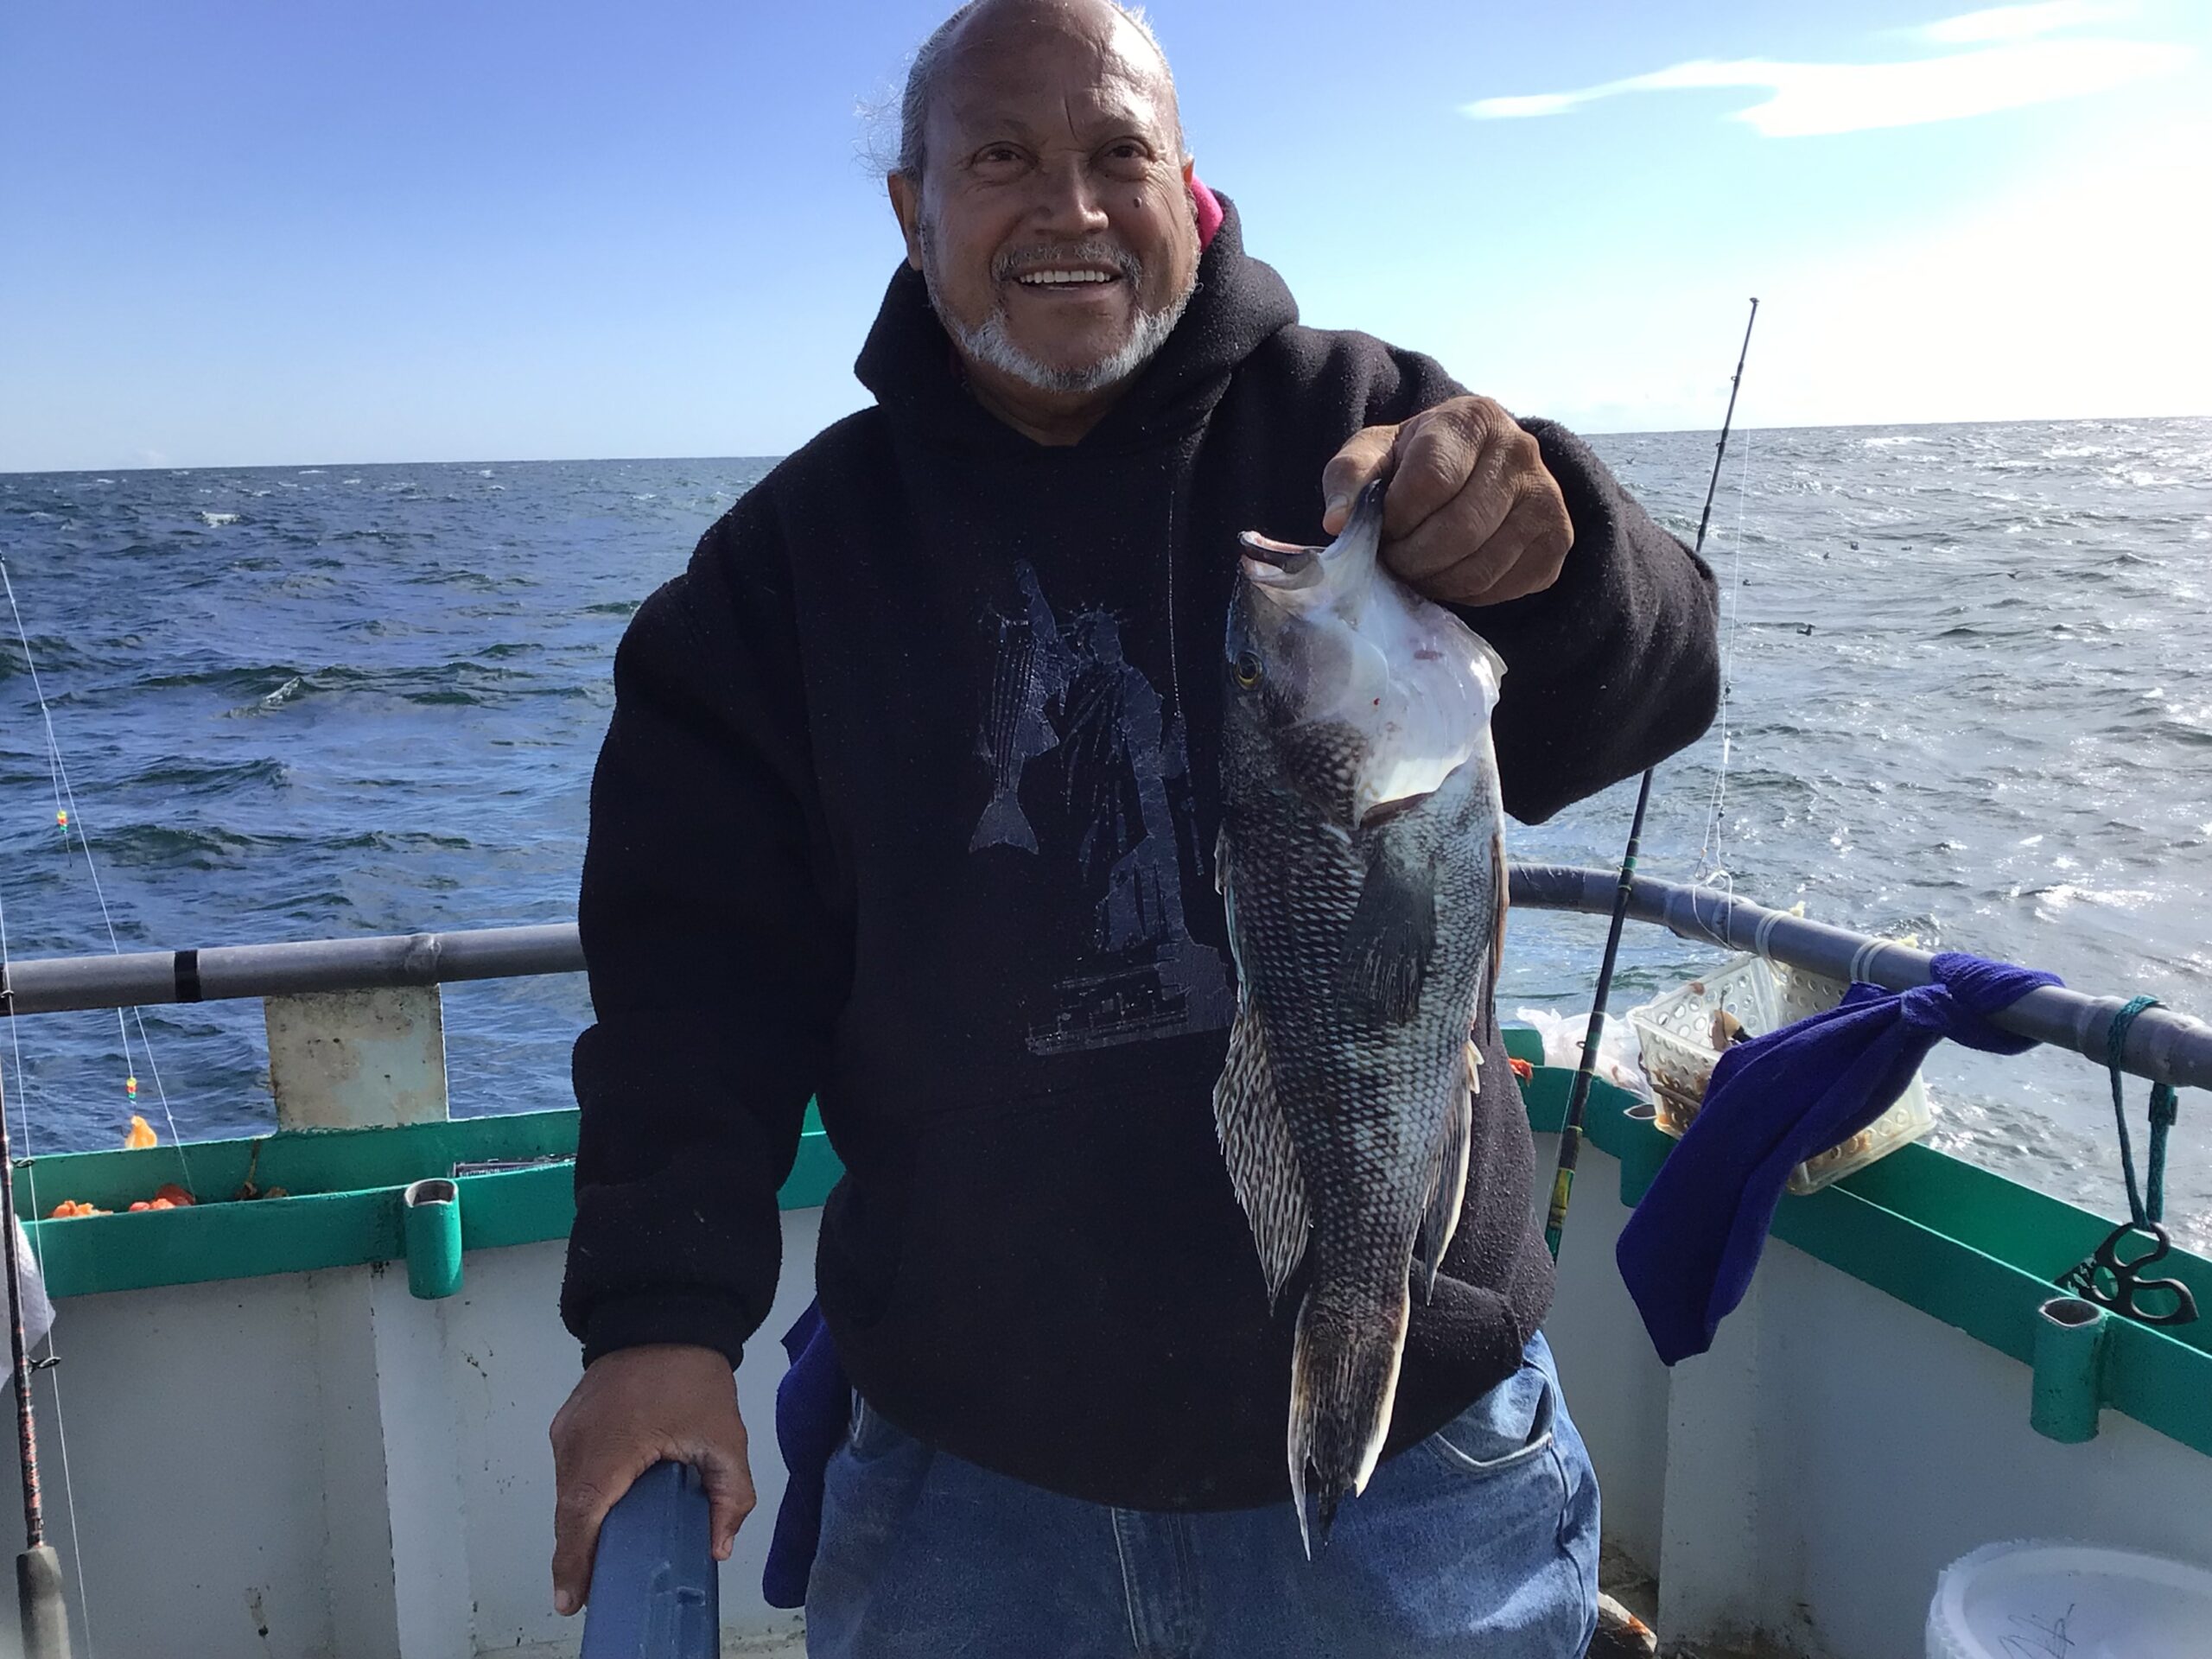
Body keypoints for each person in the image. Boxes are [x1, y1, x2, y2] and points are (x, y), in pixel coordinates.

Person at [549, 1, 1719, 1652]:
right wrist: (657, 1319)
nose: (1071, 207)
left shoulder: (1364, 430)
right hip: (968, 1469)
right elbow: (692, 981)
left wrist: (1568, 543)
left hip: (1420, 1453)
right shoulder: (782, 572)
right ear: (914, 206)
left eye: (1118, 155)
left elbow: (1655, 677)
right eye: (1004, 158)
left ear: (1192, 186)